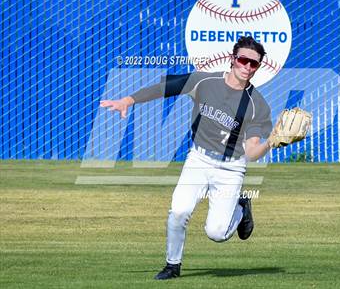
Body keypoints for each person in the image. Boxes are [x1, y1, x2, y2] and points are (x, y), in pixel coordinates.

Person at [100, 36, 274, 280]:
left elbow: (252, 153)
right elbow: (165, 87)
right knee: (179, 211)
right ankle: (173, 265)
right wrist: (127, 100)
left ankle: (240, 207)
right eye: (243, 60)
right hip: (199, 160)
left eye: (253, 64)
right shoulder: (204, 82)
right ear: (232, 59)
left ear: (257, 68)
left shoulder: (257, 105)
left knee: (217, 233)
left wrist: (271, 142)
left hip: (231, 169)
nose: (247, 66)